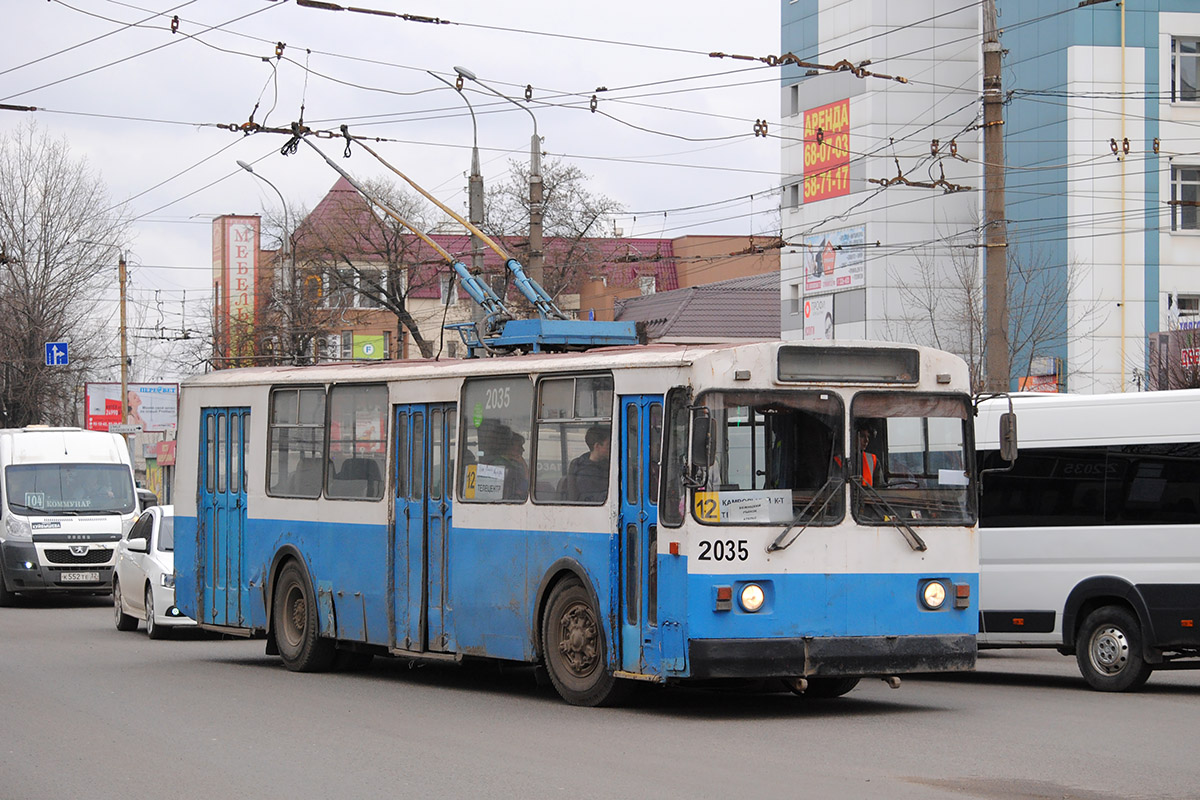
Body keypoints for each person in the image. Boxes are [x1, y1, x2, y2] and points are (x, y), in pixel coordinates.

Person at [567, 425, 610, 502]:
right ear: (597, 446)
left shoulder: (607, 464)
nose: (610, 449)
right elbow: (589, 498)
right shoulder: (583, 471)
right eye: (608, 445)